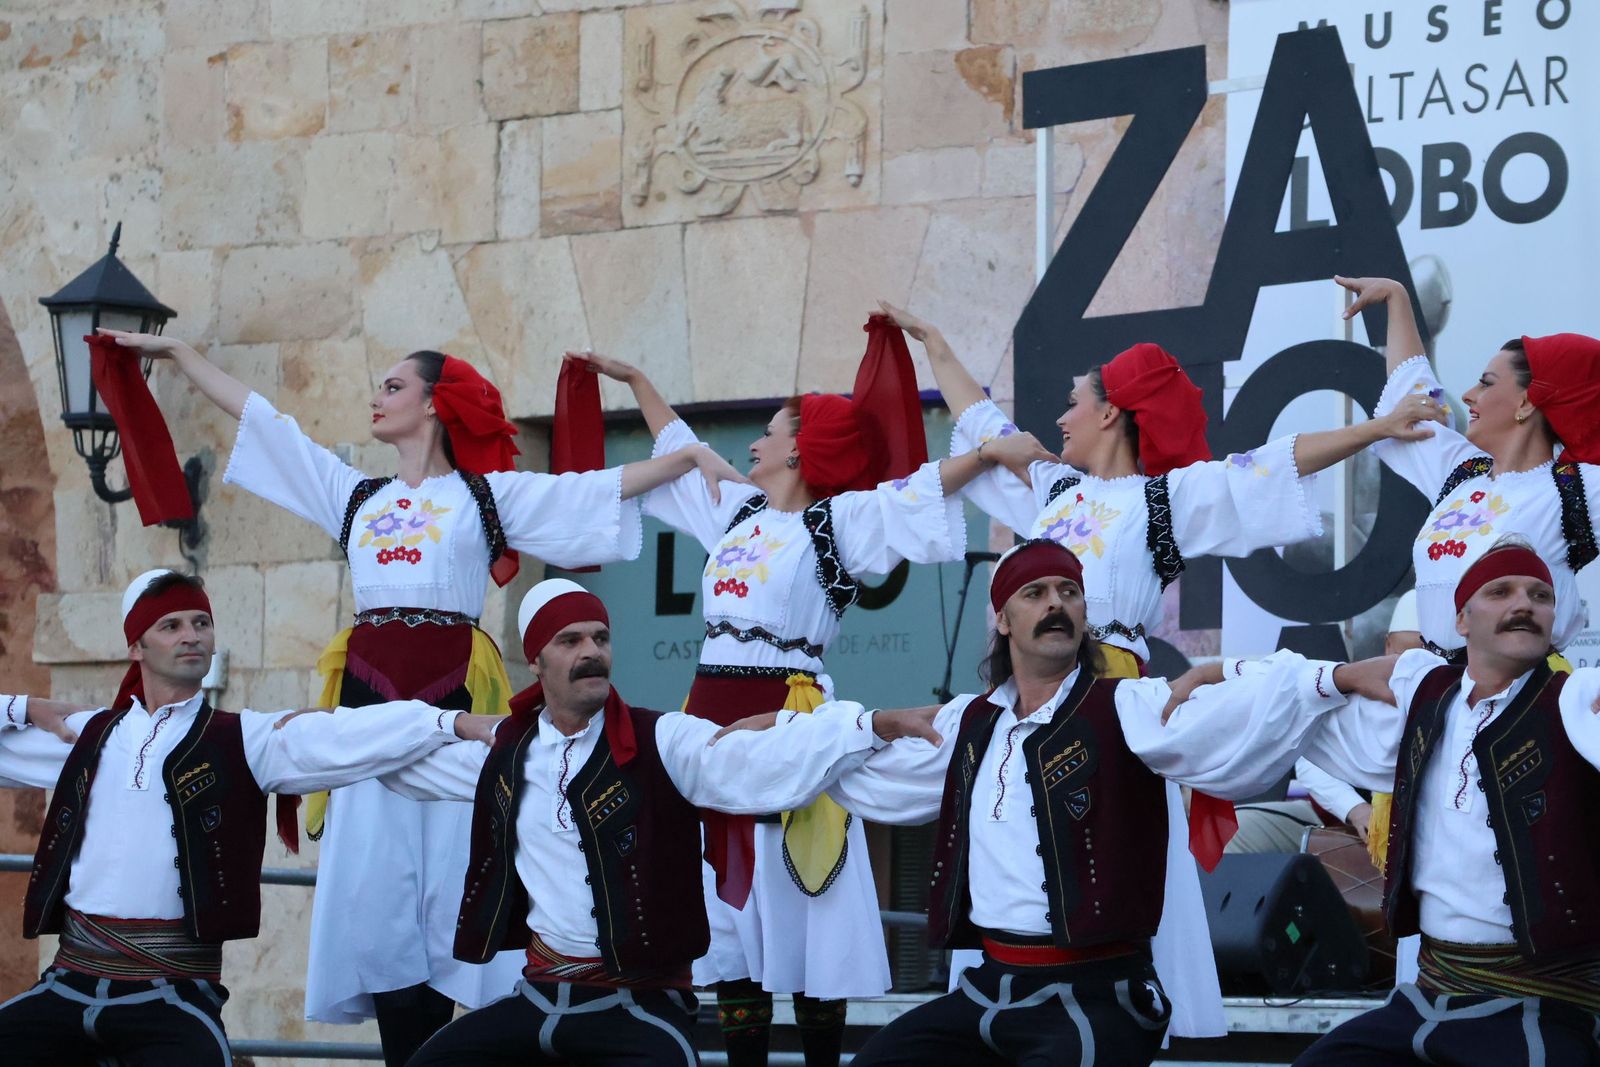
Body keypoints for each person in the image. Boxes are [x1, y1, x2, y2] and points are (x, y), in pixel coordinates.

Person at [96, 330, 746, 1064]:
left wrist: (688, 456)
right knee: (379, 901)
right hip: (368, 711)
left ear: (435, 405)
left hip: (455, 709)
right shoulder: (357, 497)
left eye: (394, 386)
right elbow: (265, 421)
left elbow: (593, 490)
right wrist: (183, 355)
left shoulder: (483, 495)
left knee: (454, 880)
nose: (378, 396)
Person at [875, 302, 1443, 1036]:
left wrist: (1375, 428)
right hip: (1025, 695)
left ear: (1111, 413)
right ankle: (1005, 989)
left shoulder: (1161, 501)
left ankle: (1114, 1004)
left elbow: (1274, 463)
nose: (1062, 416)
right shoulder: (1052, 487)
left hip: (1107, 701)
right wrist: (937, 342)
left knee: (1107, 852)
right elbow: (984, 425)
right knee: (1012, 837)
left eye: (1076, 403)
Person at [567, 335, 1048, 1067]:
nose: (754, 441)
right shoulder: (736, 515)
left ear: (799, 451)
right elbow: (680, 442)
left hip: (791, 719)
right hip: (710, 719)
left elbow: (914, 495)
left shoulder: (834, 526)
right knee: (728, 924)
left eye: (770, 430)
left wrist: (986, 456)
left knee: (800, 904)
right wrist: (634, 376)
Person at [770, 539, 1355, 1066]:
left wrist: (1333, 680)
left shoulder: (1128, 706)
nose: (1058, 603)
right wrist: (817, 723)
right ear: (1002, 619)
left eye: (1070, 592)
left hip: (1095, 997)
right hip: (988, 991)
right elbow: (855, 768)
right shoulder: (969, 725)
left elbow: (1243, 715)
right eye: (1036, 592)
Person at [372, 579, 941, 1066]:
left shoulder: (663, 739)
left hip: (637, 1008)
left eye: (600, 637)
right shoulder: (506, 754)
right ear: (536, 660)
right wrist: (452, 720)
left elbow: (762, 761)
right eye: (570, 641)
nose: (591, 652)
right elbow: (389, 756)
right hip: (537, 998)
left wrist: (871, 724)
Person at [0, 569, 496, 1065]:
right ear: (136, 647)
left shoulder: (244, 739)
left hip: (171, 996)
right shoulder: (86, 736)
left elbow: (349, 731)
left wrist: (453, 721)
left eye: (201, 623)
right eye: (170, 626)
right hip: (68, 983)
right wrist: (23, 707)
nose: (191, 635)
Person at [1252, 538, 1600, 1064]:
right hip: (1427, 997)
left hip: (1544, 1002)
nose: (1523, 603)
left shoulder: (1576, 699)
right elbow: (1288, 705)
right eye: (1500, 591)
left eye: (1540, 595)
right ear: (1461, 620)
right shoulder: (1428, 702)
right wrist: (1330, 675)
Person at [1335, 276, 1600, 661]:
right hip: (1445, 690)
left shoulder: (1576, 489)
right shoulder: (1461, 473)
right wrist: (1397, 299)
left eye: (1486, 383)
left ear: (1527, 403)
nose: (1468, 395)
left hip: (1526, 690)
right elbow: (1413, 399)